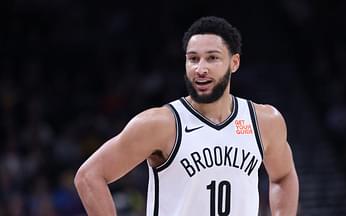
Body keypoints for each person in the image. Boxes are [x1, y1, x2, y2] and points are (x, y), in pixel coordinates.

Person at [74, 16, 299, 216]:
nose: (200, 68)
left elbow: (284, 176)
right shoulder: (160, 124)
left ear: (234, 63)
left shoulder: (264, 121)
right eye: (193, 58)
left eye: (212, 58)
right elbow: (88, 176)